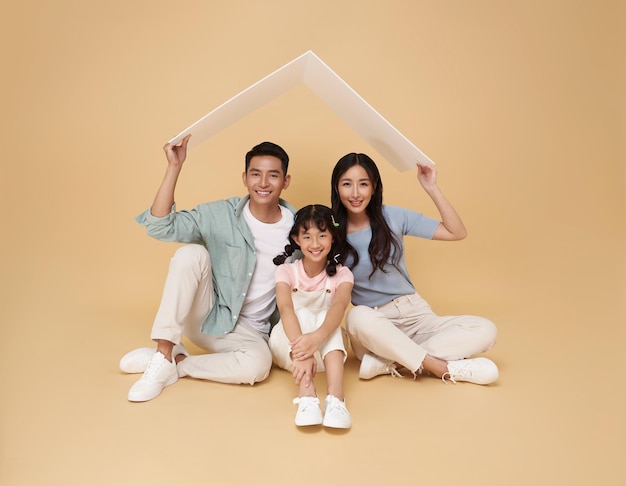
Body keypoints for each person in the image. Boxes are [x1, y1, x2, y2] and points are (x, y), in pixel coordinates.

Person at [119, 136, 296, 402]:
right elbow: (160, 225)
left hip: (250, 333)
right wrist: (174, 167)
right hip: (208, 317)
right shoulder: (219, 215)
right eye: (255, 174)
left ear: (286, 181)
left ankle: (177, 363)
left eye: (273, 176)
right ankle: (162, 353)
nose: (263, 183)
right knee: (192, 254)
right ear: (244, 178)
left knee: (259, 366)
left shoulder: (300, 230)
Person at [330, 153, 499, 385]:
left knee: (485, 329)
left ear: (374, 187)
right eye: (347, 184)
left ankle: (390, 363)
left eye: (363, 184)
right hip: (374, 323)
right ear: (337, 188)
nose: (356, 193)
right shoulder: (330, 231)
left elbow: (456, 232)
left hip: (415, 314)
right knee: (356, 317)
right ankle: (441, 368)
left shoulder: (393, 216)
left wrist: (431, 188)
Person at [269, 205, 353, 428]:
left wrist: (315, 340)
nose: (315, 244)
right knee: (301, 311)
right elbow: (286, 309)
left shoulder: (343, 274)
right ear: (297, 239)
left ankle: (336, 399)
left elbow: (340, 306)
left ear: (333, 237)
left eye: (322, 236)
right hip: (290, 351)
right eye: (307, 237)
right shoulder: (286, 272)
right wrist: (302, 354)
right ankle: (307, 396)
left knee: (329, 315)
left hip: (327, 355)